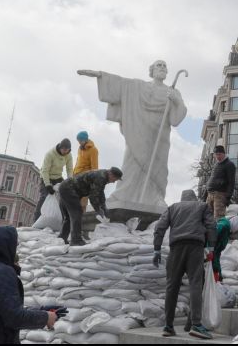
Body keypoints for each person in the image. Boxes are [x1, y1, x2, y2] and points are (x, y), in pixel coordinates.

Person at [78, 60, 187, 213]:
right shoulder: (139, 86)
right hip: (138, 132)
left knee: (158, 168)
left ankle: (156, 197)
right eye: (159, 65)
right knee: (131, 162)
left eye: (164, 66)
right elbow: (122, 84)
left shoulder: (173, 92)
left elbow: (175, 120)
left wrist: (176, 102)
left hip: (159, 136)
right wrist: (100, 76)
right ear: (152, 70)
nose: (162, 68)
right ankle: (122, 194)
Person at [153, 190, 217, 340]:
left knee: (172, 286)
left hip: (175, 249)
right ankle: (196, 324)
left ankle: (168, 326)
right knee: (195, 283)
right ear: (194, 198)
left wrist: (157, 249)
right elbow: (211, 225)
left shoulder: (172, 208)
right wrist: (211, 247)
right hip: (195, 247)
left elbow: (160, 227)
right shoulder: (202, 206)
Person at [57, 168, 123, 246]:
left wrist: (104, 207)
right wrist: (98, 209)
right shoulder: (100, 177)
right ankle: (76, 240)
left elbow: (100, 193)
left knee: (68, 216)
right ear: (111, 174)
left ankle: (62, 238)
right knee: (77, 213)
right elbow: (93, 196)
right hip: (69, 189)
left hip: (65, 187)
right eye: (115, 179)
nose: (114, 182)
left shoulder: (103, 176)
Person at [34, 138, 73, 221]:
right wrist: (48, 185)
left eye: (67, 150)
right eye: (64, 150)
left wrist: (70, 182)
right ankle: (36, 220)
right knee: (44, 197)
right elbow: (45, 171)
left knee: (64, 196)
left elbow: (69, 169)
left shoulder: (68, 155)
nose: (65, 152)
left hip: (58, 177)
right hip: (46, 177)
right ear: (60, 147)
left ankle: (62, 220)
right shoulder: (50, 154)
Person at [205, 146, 236, 221]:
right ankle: (210, 233)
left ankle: (218, 233)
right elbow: (211, 179)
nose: (217, 156)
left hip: (220, 195)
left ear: (224, 154)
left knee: (218, 218)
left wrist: (228, 197)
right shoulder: (216, 165)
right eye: (216, 154)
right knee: (207, 217)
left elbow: (231, 182)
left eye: (219, 154)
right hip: (210, 194)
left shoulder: (229, 164)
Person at [212, 215, 238, 282]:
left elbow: (217, 253)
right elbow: (211, 239)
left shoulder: (227, 231)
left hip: (213, 256)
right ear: (236, 224)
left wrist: (218, 271)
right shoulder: (223, 226)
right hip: (206, 254)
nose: (236, 233)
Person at [73, 130, 99, 212]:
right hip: (76, 176)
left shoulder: (93, 150)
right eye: (78, 141)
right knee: (74, 200)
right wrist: (73, 173)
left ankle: (82, 221)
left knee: (83, 202)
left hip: (85, 178)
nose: (79, 142)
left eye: (80, 140)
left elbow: (94, 167)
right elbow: (77, 162)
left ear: (85, 139)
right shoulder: (80, 149)